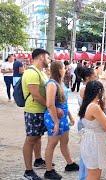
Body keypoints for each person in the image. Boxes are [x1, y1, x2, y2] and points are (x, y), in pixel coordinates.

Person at [43, 61, 79, 179]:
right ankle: (49, 171)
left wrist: (70, 116)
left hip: (62, 117)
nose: (66, 69)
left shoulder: (60, 83)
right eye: (64, 68)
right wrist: (56, 122)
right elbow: (49, 104)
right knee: (52, 144)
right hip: (54, 118)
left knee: (65, 141)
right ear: (58, 70)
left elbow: (63, 102)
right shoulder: (52, 84)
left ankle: (70, 163)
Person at [21, 49, 51, 179]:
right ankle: (28, 171)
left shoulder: (41, 72)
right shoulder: (31, 72)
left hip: (40, 110)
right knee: (30, 139)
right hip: (33, 110)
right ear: (41, 57)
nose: (49, 60)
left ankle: (38, 160)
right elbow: (36, 95)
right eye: (48, 58)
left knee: (37, 137)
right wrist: (49, 106)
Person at [78, 80, 106, 179]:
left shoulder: (86, 104)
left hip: (90, 140)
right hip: (95, 142)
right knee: (94, 174)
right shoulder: (94, 107)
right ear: (99, 91)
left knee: (93, 172)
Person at [77, 67, 97, 180]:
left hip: (86, 121)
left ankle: (87, 175)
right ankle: (85, 176)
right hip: (86, 122)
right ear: (88, 77)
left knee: (88, 151)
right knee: (87, 152)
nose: (96, 77)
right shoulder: (85, 89)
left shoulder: (87, 88)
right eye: (94, 75)